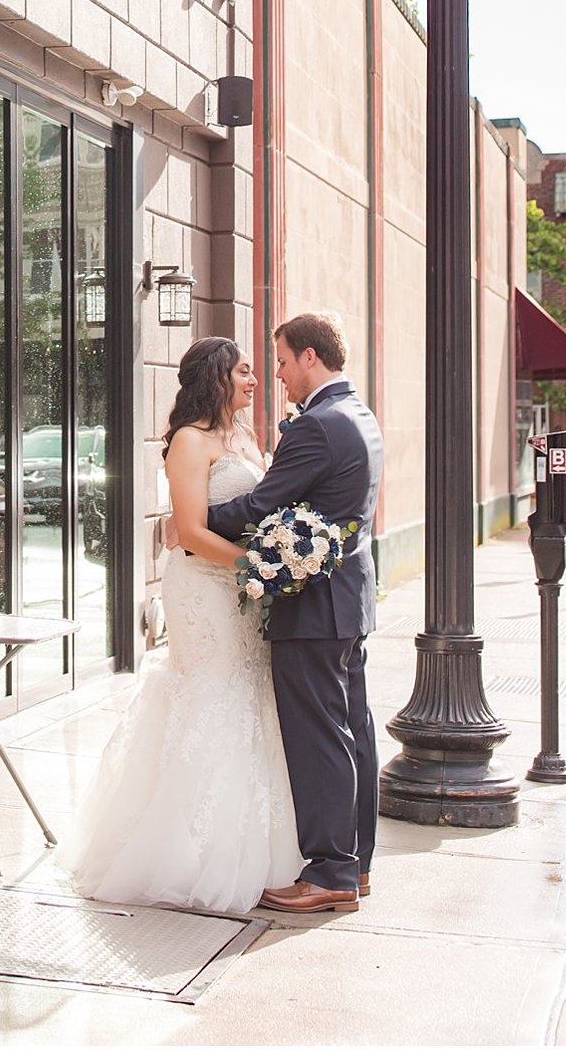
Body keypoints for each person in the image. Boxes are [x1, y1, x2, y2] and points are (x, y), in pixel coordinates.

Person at [62, 337, 304, 914]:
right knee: (212, 693)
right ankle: (188, 856)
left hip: (242, 589)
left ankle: (264, 848)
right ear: (218, 378)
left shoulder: (245, 438)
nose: (256, 381)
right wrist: (258, 566)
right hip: (202, 588)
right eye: (245, 372)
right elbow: (190, 531)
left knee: (250, 692)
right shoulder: (189, 443)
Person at [206, 311, 384, 916]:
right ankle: (354, 865)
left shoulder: (318, 426)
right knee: (352, 732)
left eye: (281, 360)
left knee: (318, 740)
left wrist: (196, 523)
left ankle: (329, 870)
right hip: (349, 604)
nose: (277, 374)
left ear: (311, 357)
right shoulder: (361, 417)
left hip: (311, 609)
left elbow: (262, 504)